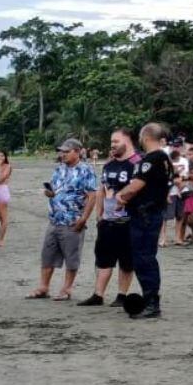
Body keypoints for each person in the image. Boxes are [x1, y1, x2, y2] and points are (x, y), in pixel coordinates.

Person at [27, 138, 98, 301]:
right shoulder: (59, 169)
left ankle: (66, 289)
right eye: (62, 152)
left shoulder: (86, 170)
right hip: (54, 219)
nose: (63, 154)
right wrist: (49, 193)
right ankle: (43, 287)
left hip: (72, 220)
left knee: (71, 256)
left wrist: (84, 219)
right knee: (48, 254)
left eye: (66, 151)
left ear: (77, 152)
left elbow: (92, 196)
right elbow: (54, 189)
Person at [116, 123, 173, 319]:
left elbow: (136, 185)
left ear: (145, 137)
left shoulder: (152, 158)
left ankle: (151, 302)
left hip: (145, 215)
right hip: (150, 213)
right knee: (145, 257)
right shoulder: (164, 159)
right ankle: (150, 299)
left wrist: (121, 196)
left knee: (144, 259)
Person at [78, 131, 138, 307]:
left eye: (116, 141)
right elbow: (101, 190)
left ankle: (122, 295)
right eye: (111, 141)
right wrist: (99, 215)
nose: (112, 144)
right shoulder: (109, 165)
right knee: (103, 259)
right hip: (107, 221)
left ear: (127, 141)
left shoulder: (137, 164)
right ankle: (98, 294)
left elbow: (138, 190)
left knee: (127, 261)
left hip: (128, 221)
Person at [163, 149, 189, 246]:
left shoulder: (184, 161)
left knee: (180, 216)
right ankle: (163, 238)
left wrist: (181, 185)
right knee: (165, 217)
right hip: (170, 193)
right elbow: (167, 181)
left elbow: (185, 177)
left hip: (182, 192)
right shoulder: (166, 164)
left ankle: (177, 238)